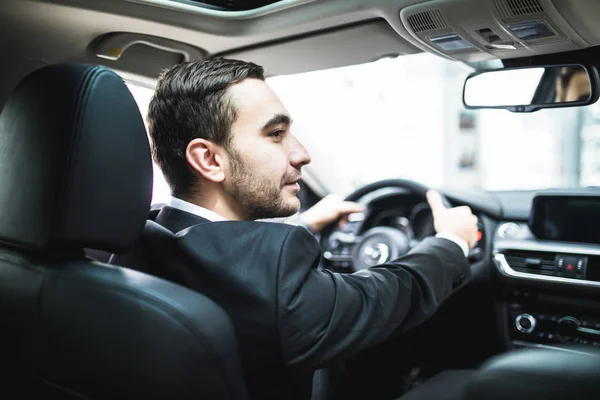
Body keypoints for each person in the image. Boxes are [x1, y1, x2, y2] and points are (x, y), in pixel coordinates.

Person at [145, 58, 478, 399]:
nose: (302, 154)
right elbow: (384, 297)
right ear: (210, 160)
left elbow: (240, 266)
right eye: (276, 134)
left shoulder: (143, 238)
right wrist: (452, 242)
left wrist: (308, 225)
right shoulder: (272, 279)